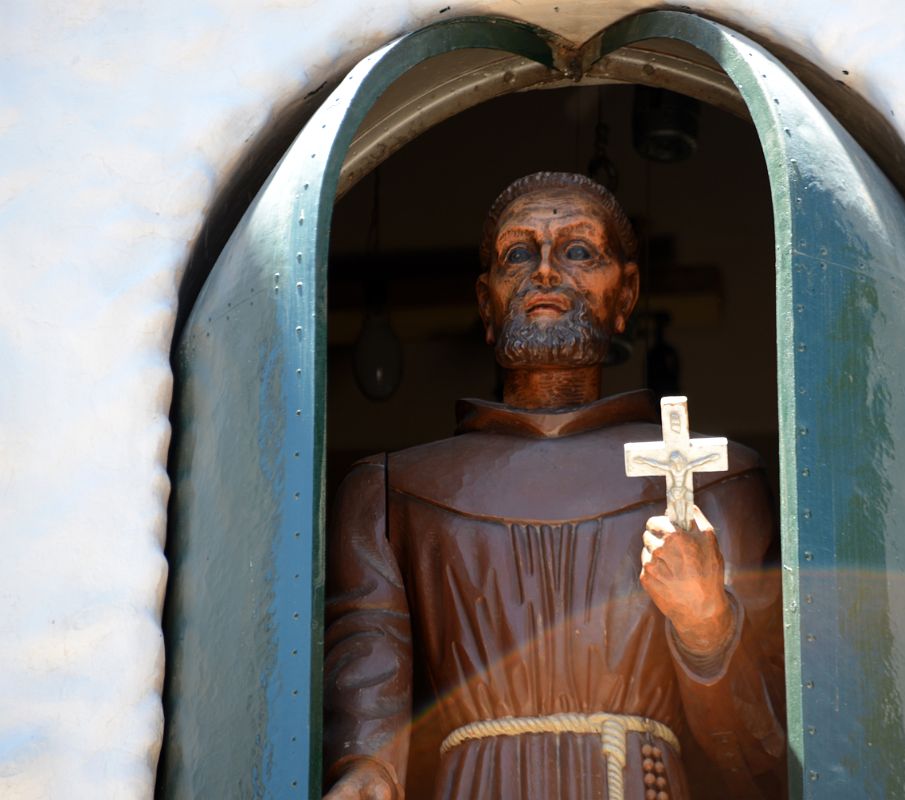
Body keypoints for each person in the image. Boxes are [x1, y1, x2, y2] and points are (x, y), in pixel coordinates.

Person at [323, 172, 785, 800]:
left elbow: (758, 761)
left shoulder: (712, 480)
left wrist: (707, 625)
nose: (544, 271)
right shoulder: (389, 491)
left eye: (577, 251)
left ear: (626, 294)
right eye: (519, 252)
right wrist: (367, 771)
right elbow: (369, 681)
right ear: (486, 302)